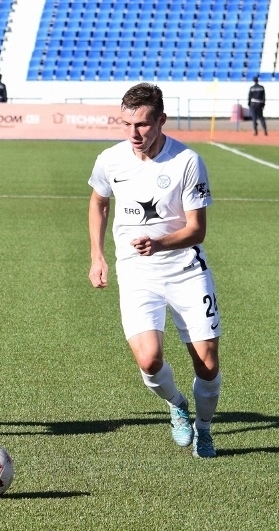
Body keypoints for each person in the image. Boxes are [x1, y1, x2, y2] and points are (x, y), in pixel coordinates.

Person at [87, 83, 222, 459]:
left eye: (143, 124)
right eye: (126, 124)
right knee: (149, 360)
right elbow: (98, 202)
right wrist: (97, 256)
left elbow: (197, 230)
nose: (134, 133)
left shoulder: (187, 161)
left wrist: (159, 244)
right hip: (137, 274)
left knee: (207, 365)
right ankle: (177, 405)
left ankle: (204, 429)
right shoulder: (110, 160)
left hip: (186, 270)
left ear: (161, 120)